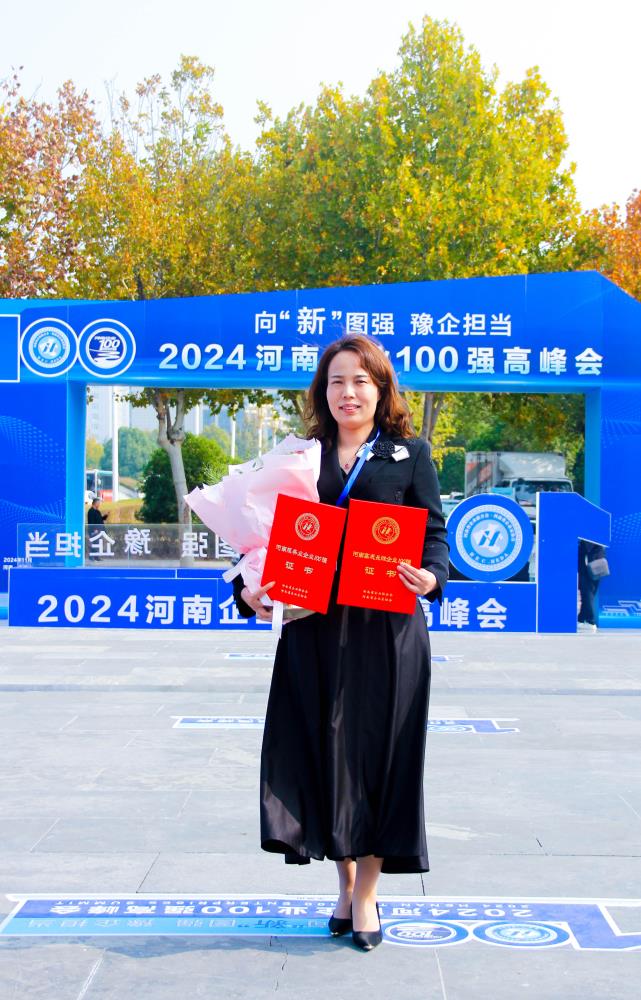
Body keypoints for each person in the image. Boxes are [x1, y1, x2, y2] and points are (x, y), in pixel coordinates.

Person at [233, 335, 449, 950]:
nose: (347, 392)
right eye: (336, 381)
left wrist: (432, 576)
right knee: (324, 756)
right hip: (314, 630)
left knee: (380, 758)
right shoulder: (298, 457)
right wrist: (248, 589)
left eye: (360, 381)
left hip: (387, 631)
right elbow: (256, 539)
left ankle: (368, 894)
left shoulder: (410, 454)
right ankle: (345, 882)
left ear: (381, 390)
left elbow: (434, 535)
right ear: (321, 392)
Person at [578, 539, 608, 629]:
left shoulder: (590, 540)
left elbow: (587, 549)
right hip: (594, 568)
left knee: (587, 594)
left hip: (590, 569)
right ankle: (581, 619)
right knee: (588, 594)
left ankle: (590, 620)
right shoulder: (600, 542)